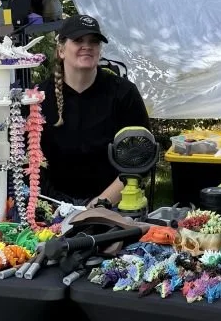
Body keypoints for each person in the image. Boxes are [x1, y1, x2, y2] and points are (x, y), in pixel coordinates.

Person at [40, 14, 151, 205]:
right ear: (61, 50)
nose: (87, 46)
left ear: (100, 51)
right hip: (50, 205)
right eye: (78, 40)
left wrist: (99, 205)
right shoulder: (38, 97)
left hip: (112, 204)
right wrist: (56, 206)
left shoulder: (123, 93)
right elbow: (26, 161)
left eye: (94, 41)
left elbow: (140, 159)